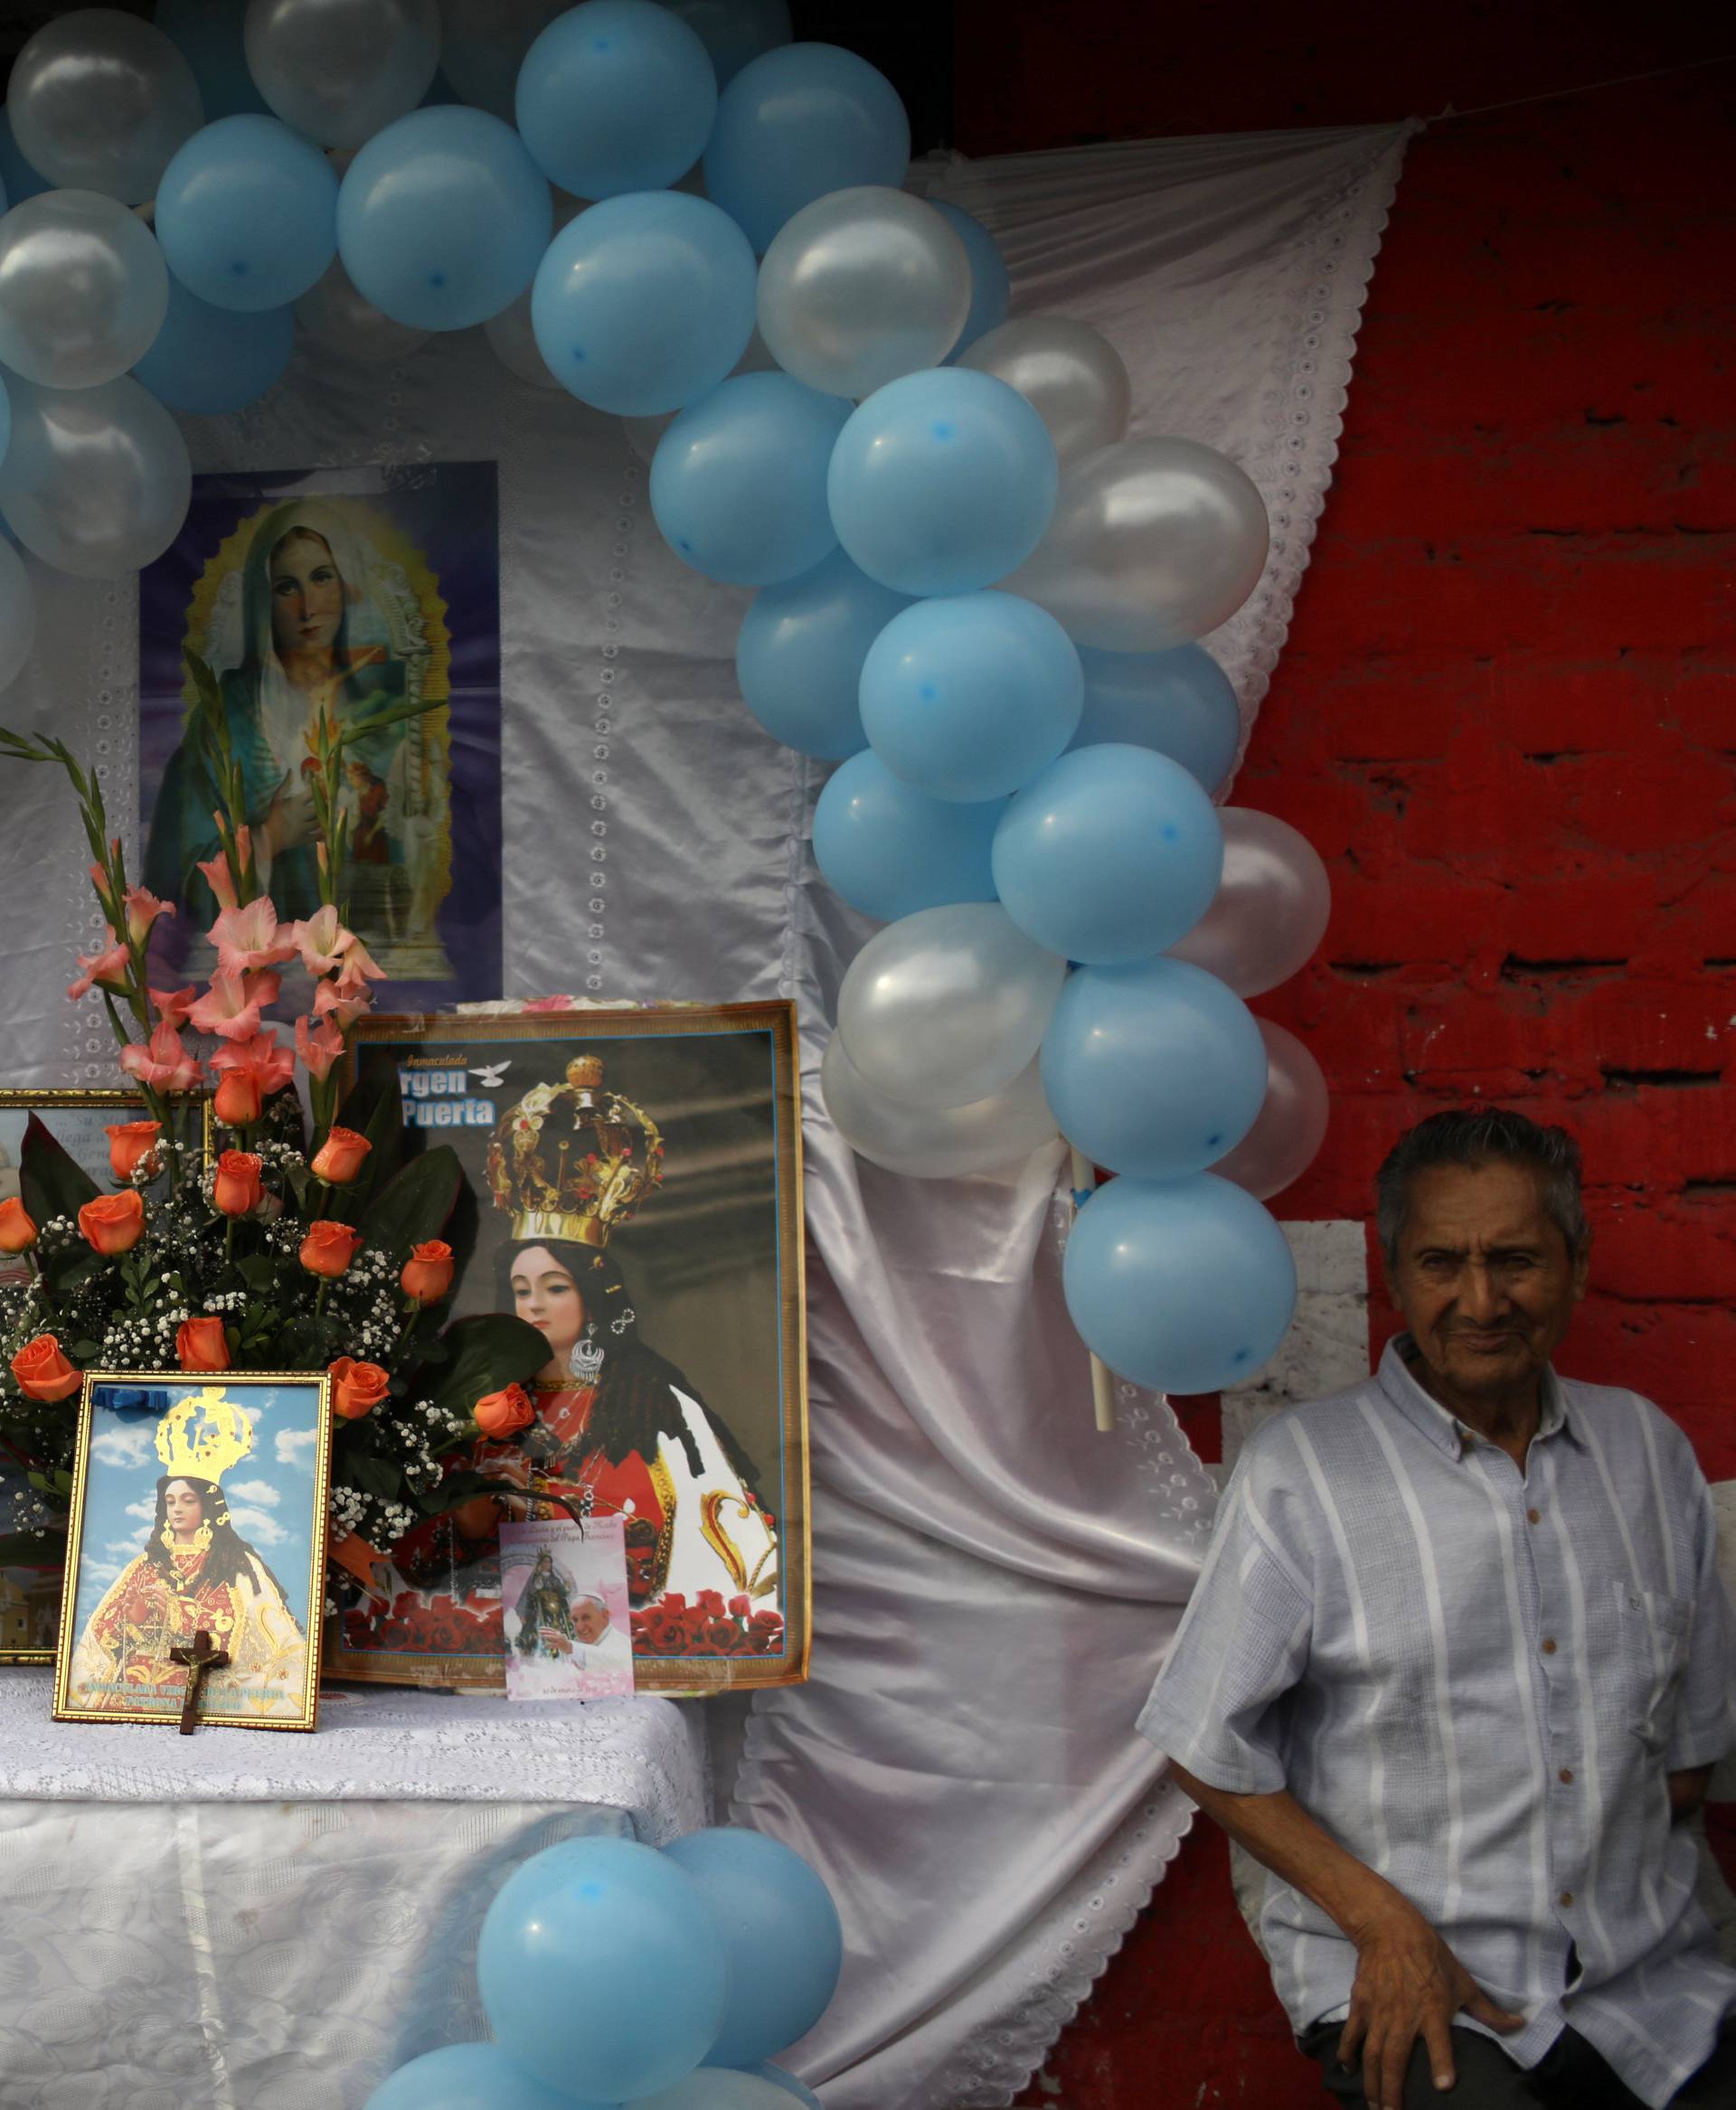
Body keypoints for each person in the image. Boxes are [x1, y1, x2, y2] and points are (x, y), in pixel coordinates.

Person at [1140, 1108, 1736, 2110]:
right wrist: (1383, 1922)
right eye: (1440, 1262)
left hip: (1649, 1988)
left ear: (1576, 1266)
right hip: (1411, 1986)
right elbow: (1202, 1742)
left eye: (1515, 1260)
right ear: (1396, 1279)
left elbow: (1685, 1760)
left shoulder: (1649, 1454)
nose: (1479, 1299)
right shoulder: (1304, 1476)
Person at [144, 498, 447, 966]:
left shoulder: (386, 716)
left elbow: (419, 862)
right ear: (264, 601)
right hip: (261, 967)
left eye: (322, 577)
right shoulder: (228, 719)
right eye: (287, 586)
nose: (308, 607)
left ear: (347, 586)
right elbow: (179, 877)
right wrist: (269, 836)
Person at [484, 1236, 778, 1618]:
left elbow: (680, 1527)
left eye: (555, 1288)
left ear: (591, 1301)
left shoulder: (645, 1401)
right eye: (521, 1291)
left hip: (627, 1620)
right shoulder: (496, 1401)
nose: (534, 1304)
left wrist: (538, 1511)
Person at [68, 1471, 306, 1714]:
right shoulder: (144, 1565)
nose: (177, 1509)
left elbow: (244, 1627)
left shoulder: (233, 1563)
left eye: (188, 1500)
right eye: (170, 1502)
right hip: (132, 1690)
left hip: (198, 1683)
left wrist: (179, 1614)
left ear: (208, 1506)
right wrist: (134, 1620)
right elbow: (100, 1635)